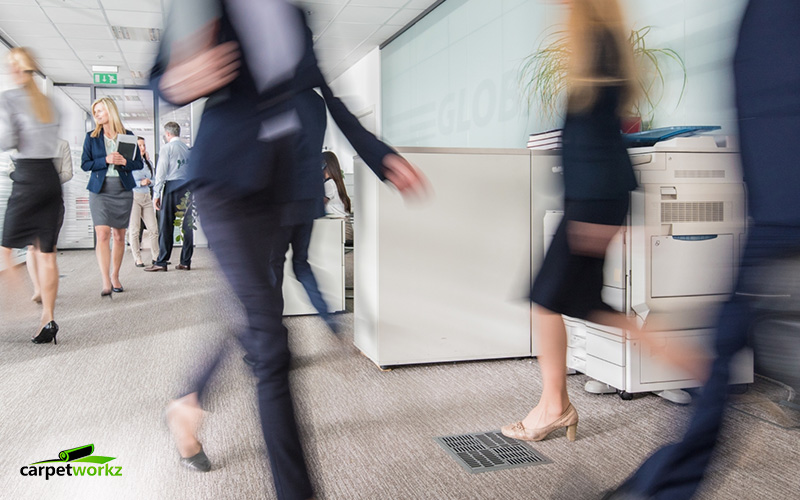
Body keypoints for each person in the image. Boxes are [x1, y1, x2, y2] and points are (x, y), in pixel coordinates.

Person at [150, 2, 428, 498]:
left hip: (284, 187)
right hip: (229, 183)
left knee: (248, 308)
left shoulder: (297, 14)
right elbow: (163, 77)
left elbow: (327, 93)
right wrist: (181, 79)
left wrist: (378, 154)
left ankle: (187, 402)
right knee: (269, 340)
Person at [605, 1, 800, 498]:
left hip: (776, 203)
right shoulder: (765, 21)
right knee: (723, 348)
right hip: (774, 204)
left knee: (723, 350)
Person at [501, 0, 639, 443]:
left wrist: (590, 216)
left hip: (593, 200)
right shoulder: (601, 43)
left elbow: (596, 134)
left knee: (554, 298)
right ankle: (554, 405)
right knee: (564, 299)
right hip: (591, 197)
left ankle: (555, 407)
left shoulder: (597, 42)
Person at [0, 47, 63, 345]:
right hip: (50, 179)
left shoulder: (10, 99)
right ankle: (47, 317)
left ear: (17, 70)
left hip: (26, 178)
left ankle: (18, 309)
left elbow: (9, 140)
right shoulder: (51, 104)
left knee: (5, 250)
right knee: (47, 253)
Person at [81, 96, 144, 296]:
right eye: (95, 112)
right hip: (99, 190)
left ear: (110, 111)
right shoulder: (91, 137)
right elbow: (85, 164)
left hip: (122, 189)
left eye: (100, 110)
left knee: (119, 236)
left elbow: (139, 164)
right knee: (102, 234)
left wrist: (125, 162)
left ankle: (115, 275)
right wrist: (105, 159)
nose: (97, 115)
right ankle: (105, 279)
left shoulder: (128, 135)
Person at [27, 138, 73, 303]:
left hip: (53, 202)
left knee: (48, 247)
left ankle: (48, 287)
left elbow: (68, 172)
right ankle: (38, 288)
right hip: (29, 201)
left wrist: (48, 181)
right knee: (32, 246)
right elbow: (13, 168)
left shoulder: (62, 144)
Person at [144, 122, 192, 272]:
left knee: (166, 225)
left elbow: (161, 174)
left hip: (172, 187)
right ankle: (185, 262)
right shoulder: (188, 149)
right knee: (187, 226)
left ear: (168, 134)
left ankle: (162, 262)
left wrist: (156, 194)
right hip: (188, 188)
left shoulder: (167, 148)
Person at [128, 136, 159, 267]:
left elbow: (154, 179)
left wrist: (149, 182)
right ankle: (137, 258)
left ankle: (156, 257)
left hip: (146, 197)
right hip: (134, 196)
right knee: (135, 229)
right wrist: (140, 183)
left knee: (153, 229)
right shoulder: (129, 163)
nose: (142, 148)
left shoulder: (148, 163)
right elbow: (126, 181)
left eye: (144, 145)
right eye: (140, 145)